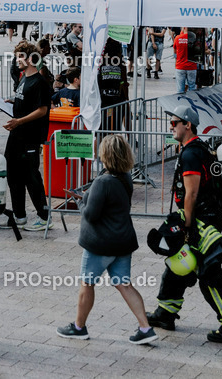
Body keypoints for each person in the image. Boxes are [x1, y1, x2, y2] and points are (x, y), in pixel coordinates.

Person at [146, 103, 222, 343]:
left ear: (188, 125)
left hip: (201, 220)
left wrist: (187, 227)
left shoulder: (191, 154)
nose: (171, 127)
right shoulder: (200, 148)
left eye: (174, 123)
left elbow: (191, 193)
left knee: (209, 274)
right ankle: (165, 312)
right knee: (177, 264)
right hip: (208, 217)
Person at [57, 135, 156, 344]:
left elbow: (91, 215)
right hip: (123, 240)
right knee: (124, 284)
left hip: (101, 244)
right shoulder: (125, 177)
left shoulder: (103, 182)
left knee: (87, 283)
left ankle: (79, 327)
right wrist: (89, 196)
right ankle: (145, 327)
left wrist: (81, 201)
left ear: (106, 155)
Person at [3, 41, 52, 231]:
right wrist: (12, 102)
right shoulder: (24, 77)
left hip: (30, 136)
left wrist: (19, 121)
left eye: (20, 57)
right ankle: (19, 215)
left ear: (31, 59)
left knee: (31, 176)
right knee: (13, 174)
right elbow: (26, 101)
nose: (17, 61)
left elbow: (42, 110)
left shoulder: (40, 82)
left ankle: (44, 216)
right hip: (17, 135)